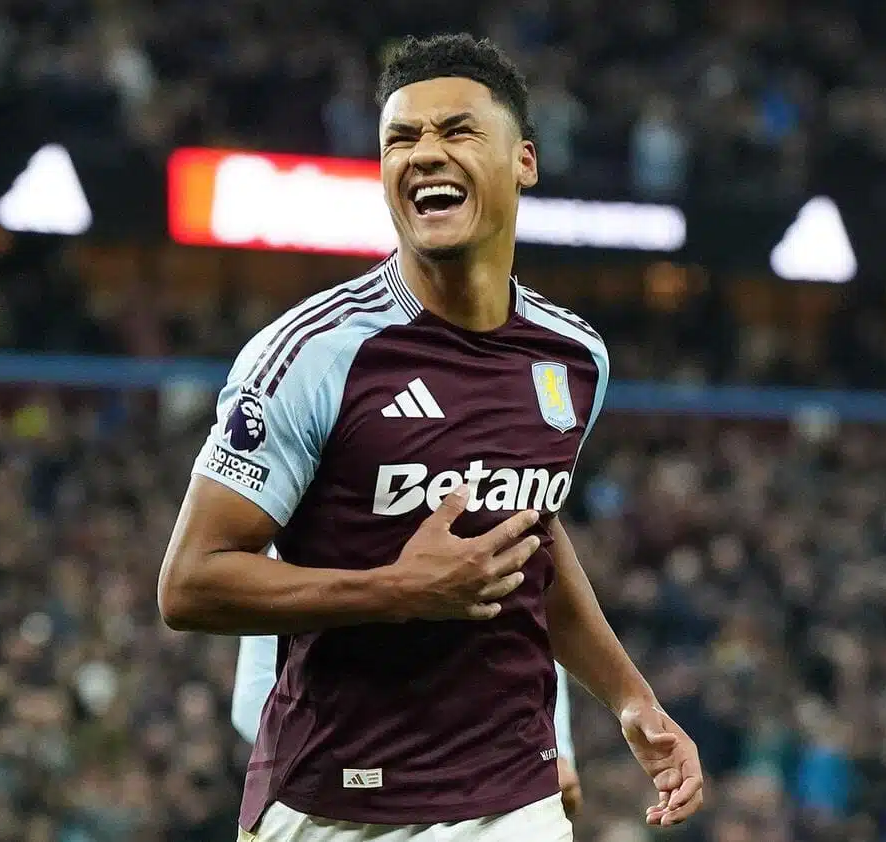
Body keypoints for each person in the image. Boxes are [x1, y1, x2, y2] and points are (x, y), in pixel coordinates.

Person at [158, 32, 704, 842]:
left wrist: (632, 698)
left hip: (514, 798)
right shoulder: (313, 354)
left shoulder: (574, 357)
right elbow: (189, 585)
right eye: (401, 139)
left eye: (456, 131)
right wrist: (398, 590)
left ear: (524, 161)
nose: (424, 154)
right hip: (339, 806)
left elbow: (532, 538)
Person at [230, 633, 585, 817]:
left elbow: (531, 632)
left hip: (487, 796)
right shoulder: (308, 539)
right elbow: (253, 699)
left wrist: (556, 747)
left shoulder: (494, 522)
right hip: (351, 805)